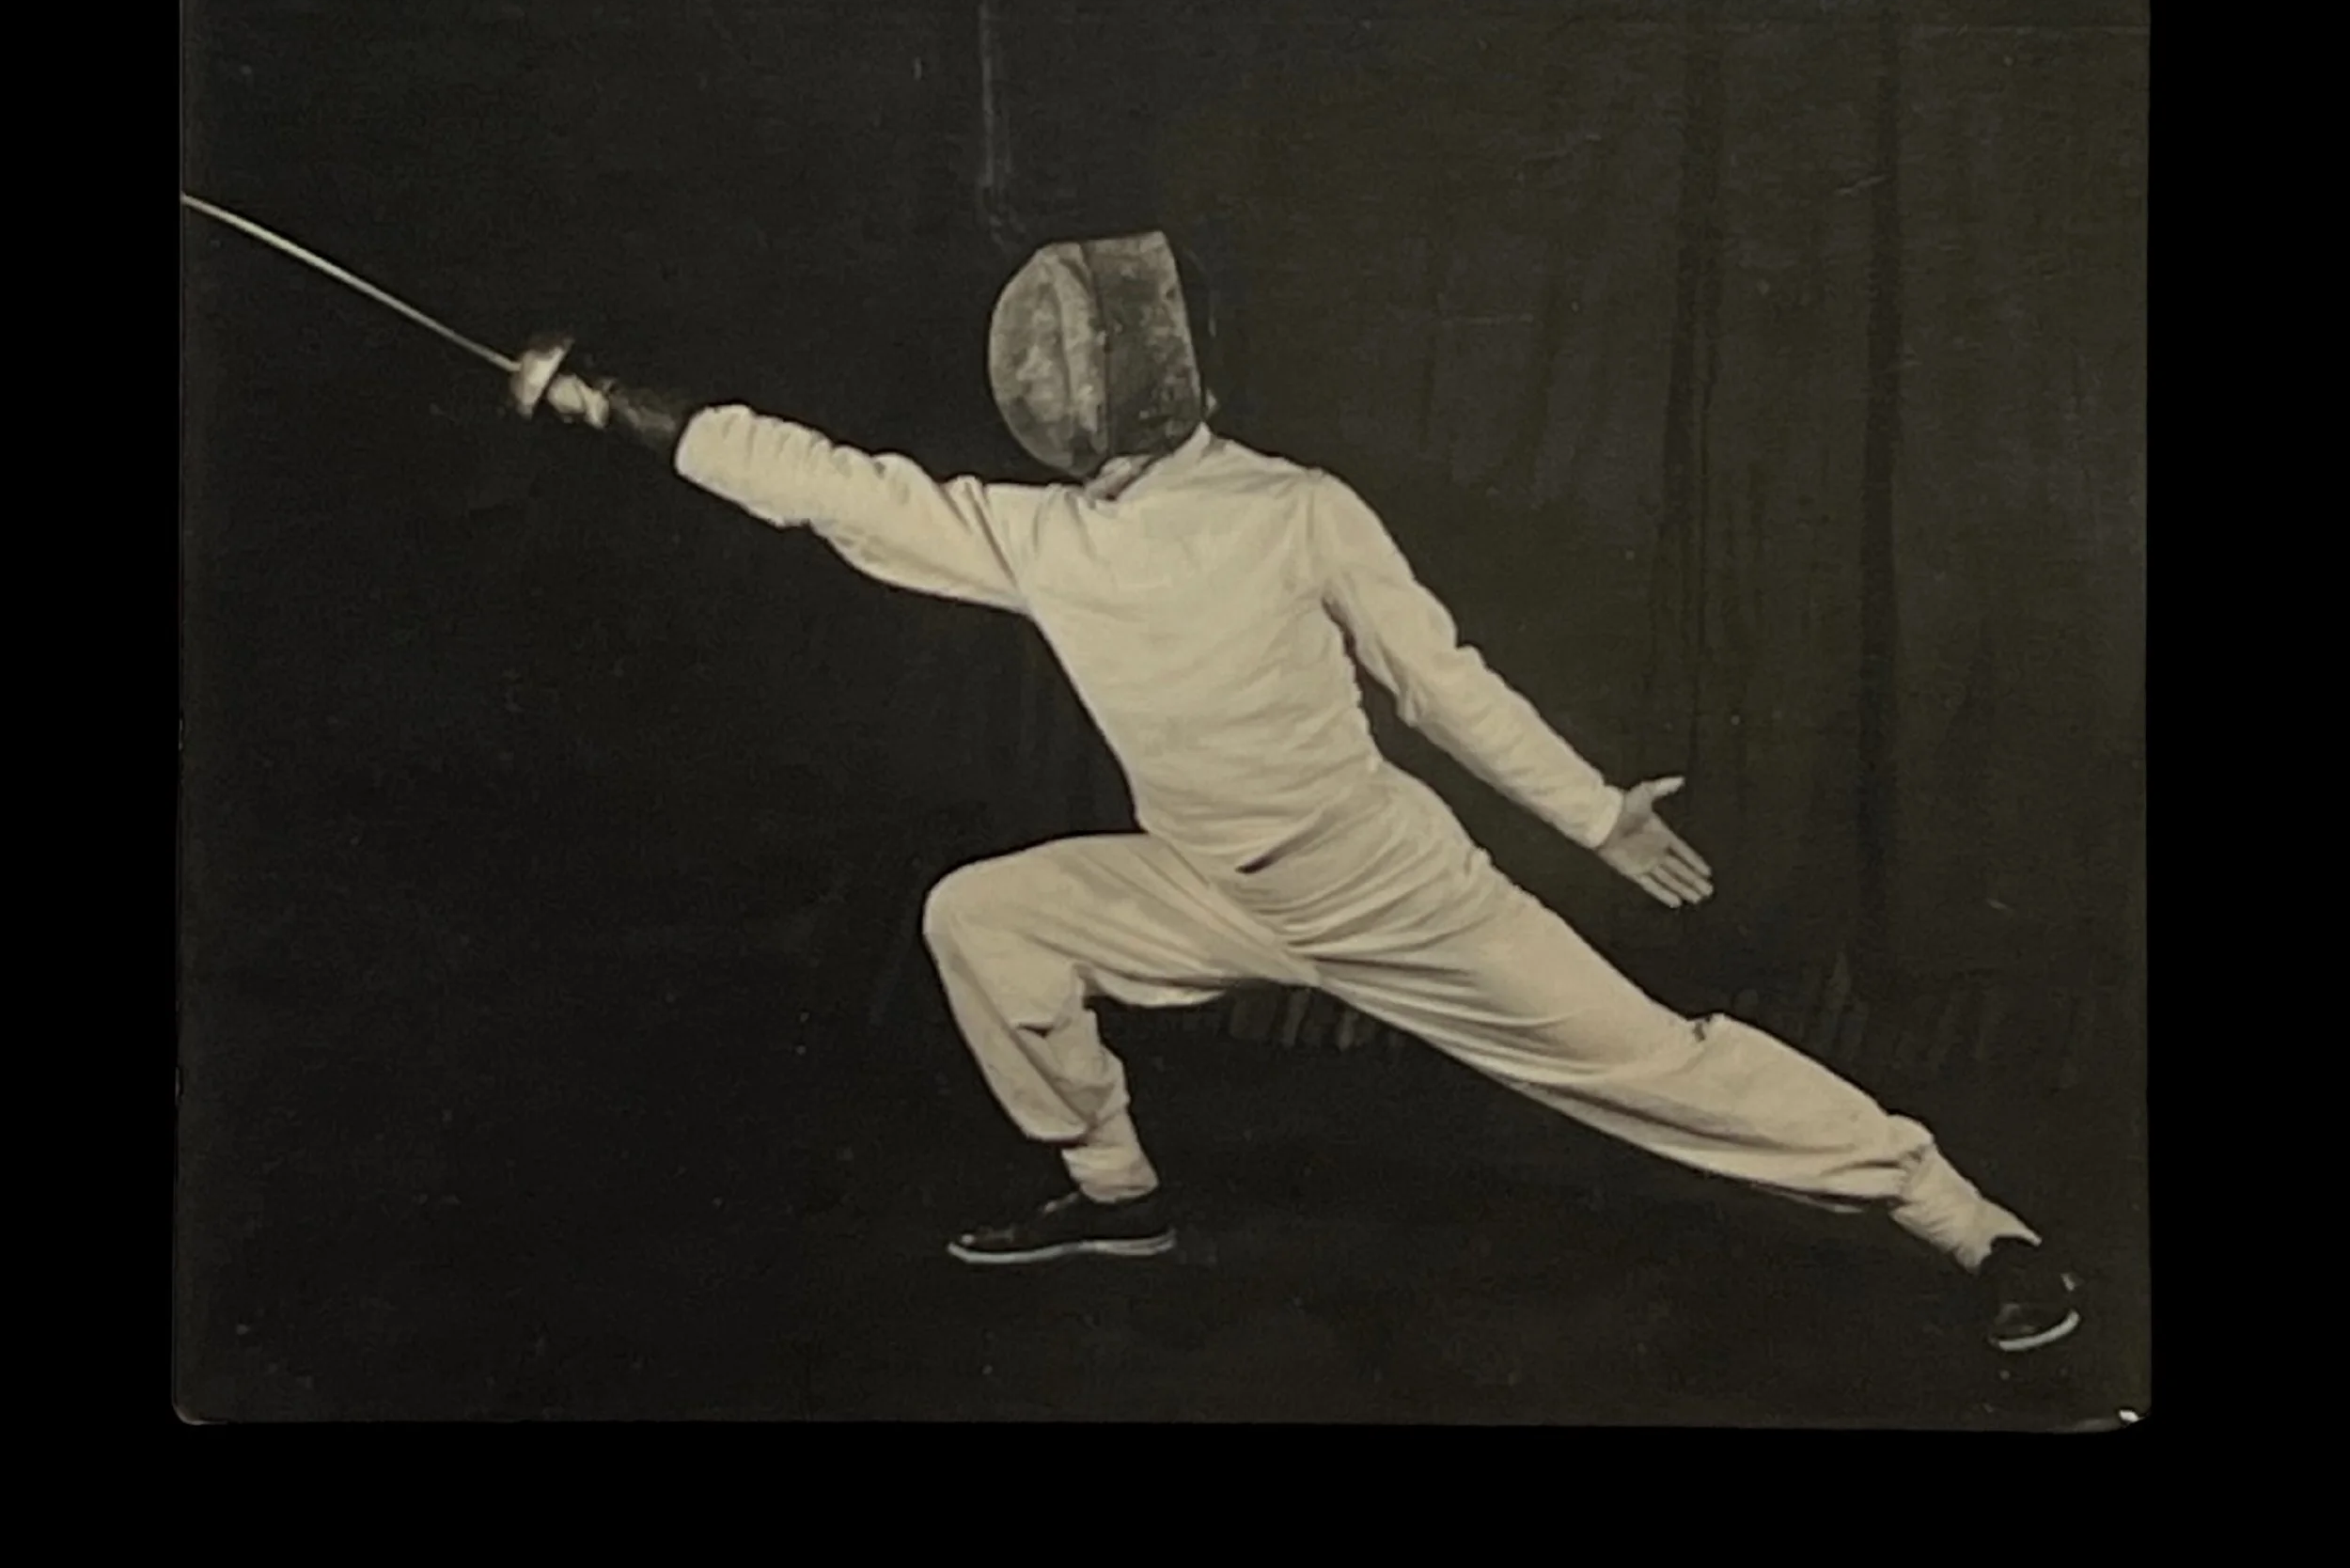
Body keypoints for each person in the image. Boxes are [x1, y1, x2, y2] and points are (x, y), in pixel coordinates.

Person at [511, 229, 2080, 1353]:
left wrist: (1597, 814)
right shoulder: (1045, 540)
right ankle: (1113, 1185)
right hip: (1204, 889)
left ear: (1123, 379)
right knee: (984, 917)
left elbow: (1441, 682)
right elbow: (826, 486)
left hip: (1397, 896)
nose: (1043, 390)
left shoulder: (1292, 511)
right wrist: (605, 406)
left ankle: (1968, 1222)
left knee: (1658, 1067)